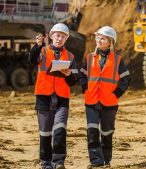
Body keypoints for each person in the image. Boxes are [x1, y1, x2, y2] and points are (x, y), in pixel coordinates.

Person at [80, 26, 131, 168]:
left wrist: (117, 93)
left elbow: (126, 78)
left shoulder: (118, 60)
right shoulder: (89, 58)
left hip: (109, 102)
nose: (99, 40)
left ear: (110, 42)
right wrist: (85, 88)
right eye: (98, 37)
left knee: (107, 132)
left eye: (102, 38)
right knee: (92, 131)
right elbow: (83, 74)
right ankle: (96, 161)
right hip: (91, 101)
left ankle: (106, 160)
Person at [29, 23, 78, 169]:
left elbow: (74, 80)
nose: (60, 38)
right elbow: (32, 60)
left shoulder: (70, 56)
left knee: (60, 130)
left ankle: (58, 162)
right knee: (45, 133)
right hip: (44, 96)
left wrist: (69, 74)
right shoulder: (42, 51)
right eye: (57, 35)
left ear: (66, 39)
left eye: (63, 36)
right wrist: (37, 46)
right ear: (50, 36)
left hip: (62, 98)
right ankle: (46, 163)